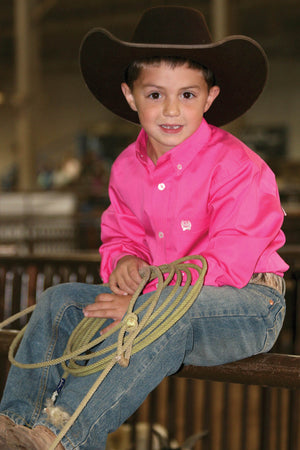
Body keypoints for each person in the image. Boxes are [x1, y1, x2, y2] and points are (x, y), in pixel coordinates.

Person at [0, 6, 288, 449]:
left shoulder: (238, 166)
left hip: (246, 302)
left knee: (152, 316)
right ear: (131, 96)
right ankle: (13, 425)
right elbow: (121, 234)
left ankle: (62, 437)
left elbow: (229, 260)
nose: (171, 110)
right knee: (59, 302)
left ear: (209, 97)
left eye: (187, 95)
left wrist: (144, 302)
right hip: (154, 300)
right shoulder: (126, 169)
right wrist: (126, 263)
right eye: (155, 95)